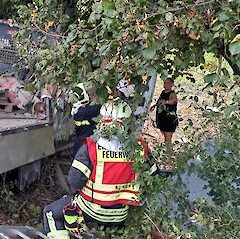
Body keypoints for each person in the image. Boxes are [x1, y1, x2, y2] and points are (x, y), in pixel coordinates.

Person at [43, 100, 158, 239]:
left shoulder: (91, 148)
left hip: (91, 209)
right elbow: (154, 179)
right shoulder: (140, 149)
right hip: (121, 214)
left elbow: (74, 181)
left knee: (50, 213)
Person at [70, 83, 101, 156]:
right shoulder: (85, 111)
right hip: (85, 147)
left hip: (80, 144)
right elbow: (99, 107)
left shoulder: (77, 109)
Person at [151, 78, 178, 144]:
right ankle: (167, 153)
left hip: (169, 120)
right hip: (162, 119)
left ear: (172, 84)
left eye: (168, 83)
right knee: (165, 139)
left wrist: (166, 102)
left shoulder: (172, 94)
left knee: (168, 140)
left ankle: (169, 153)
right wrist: (155, 105)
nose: (166, 85)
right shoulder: (163, 92)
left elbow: (173, 101)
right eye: (165, 83)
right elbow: (160, 102)